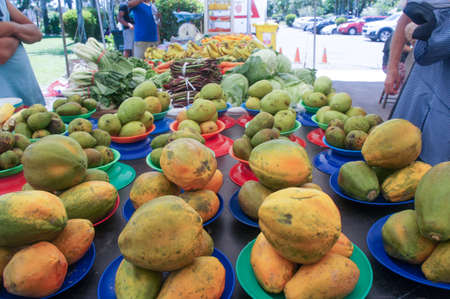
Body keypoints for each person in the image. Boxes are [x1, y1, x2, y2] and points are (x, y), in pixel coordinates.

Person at [385, 0, 450, 165]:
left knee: (438, 169)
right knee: (396, 149)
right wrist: (392, 67)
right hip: (420, 85)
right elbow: (405, 20)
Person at [0, 0, 44, 106]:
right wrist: (18, 33)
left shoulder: (3, 2)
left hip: (28, 97)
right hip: (5, 108)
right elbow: (2, 53)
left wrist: (11, 28)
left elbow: (36, 33)